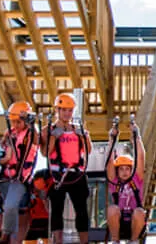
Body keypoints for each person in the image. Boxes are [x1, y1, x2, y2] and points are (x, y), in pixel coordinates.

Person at [40, 93, 92, 244]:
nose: (67, 113)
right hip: (57, 174)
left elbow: (88, 150)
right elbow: (45, 153)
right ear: (57, 110)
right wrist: (54, 137)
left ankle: (84, 242)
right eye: (64, 110)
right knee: (56, 210)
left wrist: (83, 136)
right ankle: (58, 241)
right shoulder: (47, 130)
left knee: (81, 210)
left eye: (70, 110)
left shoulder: (78, 128)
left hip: (76, 173)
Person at [0, 101, 41, 244]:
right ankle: (9, 237)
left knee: (11, 206)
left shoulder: (30, 133)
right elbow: (1, 150)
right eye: (13, 122)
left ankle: (6, 236)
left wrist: (31, 123)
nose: (15, 125)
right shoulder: (9, 134)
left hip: (20, 179)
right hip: (5, 178)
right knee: (8, 210)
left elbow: (37, 141)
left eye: (18, 122)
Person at [105, 137, 149, 244]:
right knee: (112, 209)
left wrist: (137, 138)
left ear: (131, 170)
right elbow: (110, 161)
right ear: (117, 171)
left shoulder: (136, 180)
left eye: (127, 169)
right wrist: (112, 140)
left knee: (140, 212)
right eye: (121, 169)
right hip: (119, 223)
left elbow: (141, 158)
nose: (124, 172)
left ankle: (133, 241)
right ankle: (116, 241)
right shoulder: (114, 181)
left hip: (135, 223)